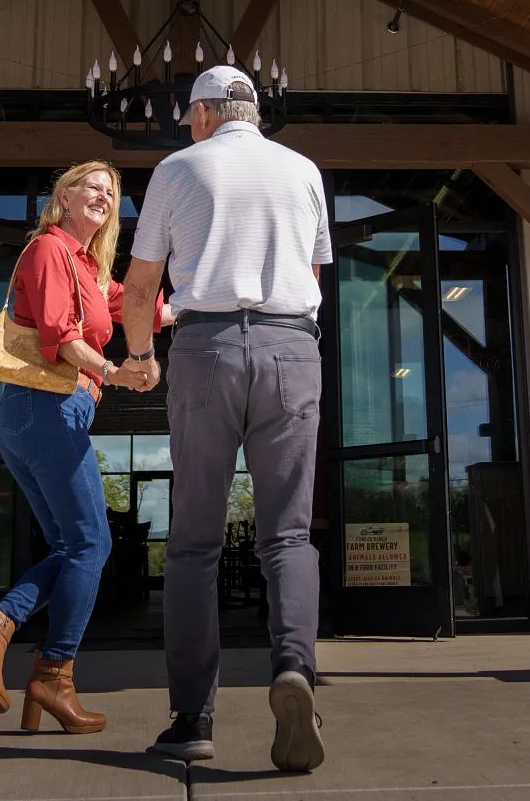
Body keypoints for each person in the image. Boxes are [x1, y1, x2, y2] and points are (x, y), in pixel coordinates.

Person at [119, 65, 333, 772]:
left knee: (193, 543)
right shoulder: (303, 170)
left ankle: (192, 719)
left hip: (207, 347)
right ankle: (295, 666)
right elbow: (314, 273)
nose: (188, 127)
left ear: (208, 112)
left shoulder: (178, 168)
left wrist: (145, 354)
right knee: (289, 534)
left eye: (190, 117)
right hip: (291, 347)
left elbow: (144, 282)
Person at [0, 160, 169, 735]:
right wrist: (117, 373)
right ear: (64, 196)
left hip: (47, 416)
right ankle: (52, 673)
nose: (103, 194)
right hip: (43, 409)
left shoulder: (90, 271)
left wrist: (213, 291)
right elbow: (60, 336)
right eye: (92, 185)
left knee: (74, 546)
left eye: (112, 191)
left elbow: (146, 306)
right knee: (91, 544)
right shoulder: (48, 249)